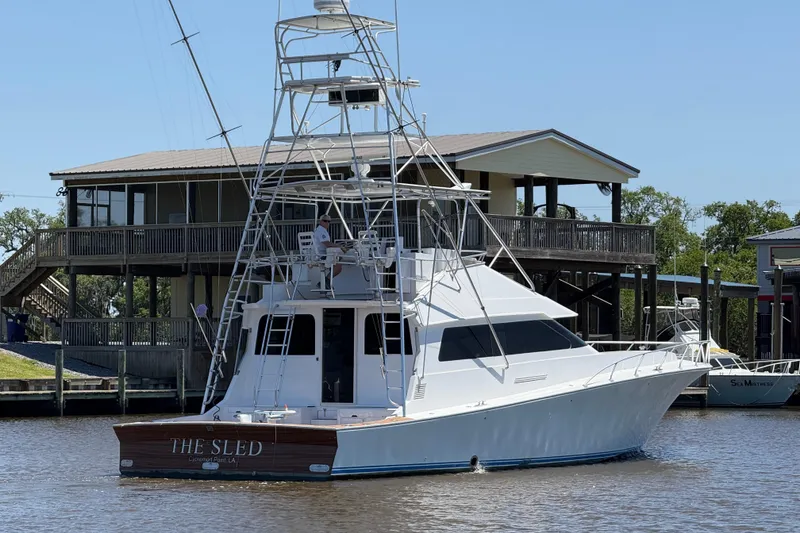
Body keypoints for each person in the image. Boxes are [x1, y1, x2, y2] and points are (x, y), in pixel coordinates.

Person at [313, 214, 345, 286]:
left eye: (329, 221)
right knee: (338, 266)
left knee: (337, 260)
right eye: (325, 221)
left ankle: (326, 282)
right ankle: (325, 282)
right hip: (321, 255)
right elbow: (327, 244)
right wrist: (339, 246)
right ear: (321, 222)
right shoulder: (321, 231)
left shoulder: (321, 230)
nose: (327, 223)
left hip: (321, 254)